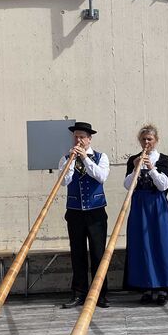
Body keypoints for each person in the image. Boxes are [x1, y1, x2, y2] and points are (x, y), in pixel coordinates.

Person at [58, 121, 111, 309]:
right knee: (77, 254)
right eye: (76, 137)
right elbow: (64, 181)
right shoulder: (66, 158)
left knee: (98, 254)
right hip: (75, 213)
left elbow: (101, 176)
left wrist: (86, 159)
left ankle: (100, 294)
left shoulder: (100, 157)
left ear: (89, 139)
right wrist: (72, 160)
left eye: (82, 137)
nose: (78, 140)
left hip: (96, 213)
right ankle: (79, 293)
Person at [122, 125, 168, 305]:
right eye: (144, 139)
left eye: (150, 139)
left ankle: (162, 287)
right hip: (139, 205)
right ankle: (145, 286)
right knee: (142, 245)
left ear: (156, 140)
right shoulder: (133, 159)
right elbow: (128, 185)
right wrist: (135, 168)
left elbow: (164, 185)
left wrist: (151, 168)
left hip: (157, 205)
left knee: (161, 243)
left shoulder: (164, 159)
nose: (147, 142)